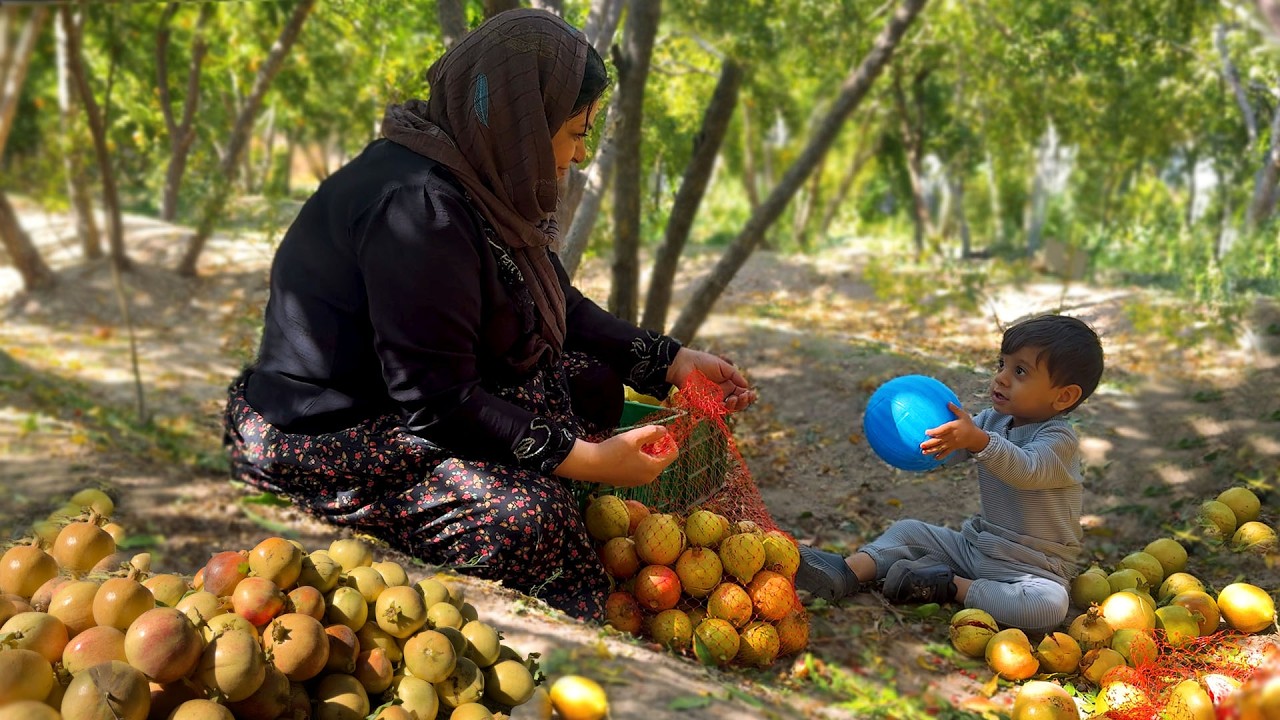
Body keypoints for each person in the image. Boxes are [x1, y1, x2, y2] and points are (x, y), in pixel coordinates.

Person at [222, 9, 755, 622]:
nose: (580, 154)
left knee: (594, 385)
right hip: (336, 427)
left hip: (414, 394)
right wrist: (590, 459)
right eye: (575, 132)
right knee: (532, 522)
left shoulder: (473, 179)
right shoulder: (420, 210)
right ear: (523, 126)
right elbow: (437, 401)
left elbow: (555, 304)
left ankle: (558, 460)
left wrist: (670, 361)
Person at [796, 314, 1104, 633]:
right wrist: (928, 440)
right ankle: (845, 571)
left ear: (1064, 396)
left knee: (1048, 608)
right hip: (976, 548)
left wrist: (978, 440)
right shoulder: (992, 422)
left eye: (1020, 371)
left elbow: (1027, 470)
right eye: (1002, 364)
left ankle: (949, 585)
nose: (1001, 378)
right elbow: (957, 451)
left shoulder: (1059, 440)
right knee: (908, 530)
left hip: (1033, 571)